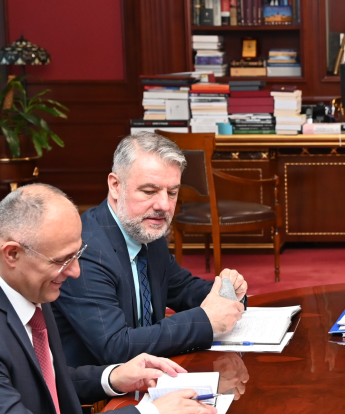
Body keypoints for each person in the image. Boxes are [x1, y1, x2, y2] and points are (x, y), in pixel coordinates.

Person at [0, 184, 218, 414]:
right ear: (12, 254)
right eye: (62, 260)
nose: (75, 272)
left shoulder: (29, 286)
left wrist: (112, 377)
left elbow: (39, 380)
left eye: (77, 254)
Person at [53, 133, 246, 367]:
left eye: (172, 193)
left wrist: (227, 292)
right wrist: (205, 321)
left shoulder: (146, 231)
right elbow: (116, 347)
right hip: (99, 386)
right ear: (115, 186)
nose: (164, 205)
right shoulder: (87, 250)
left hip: (152, 376)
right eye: (149, 191)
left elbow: (183, 289)